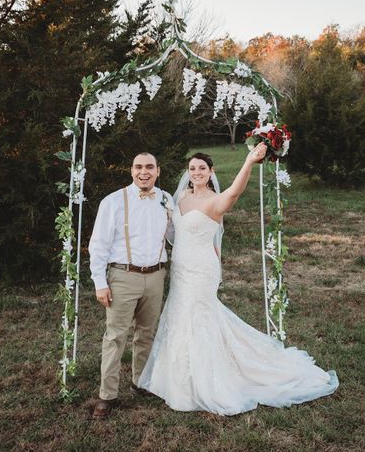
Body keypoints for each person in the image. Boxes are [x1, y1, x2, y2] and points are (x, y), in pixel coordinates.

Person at [138, 143, 339, 415]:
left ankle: (204, 380)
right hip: (181, 268)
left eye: (202, 168)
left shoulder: (215, 201)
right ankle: (177, 378)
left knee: (198, 318)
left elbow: (234, 191)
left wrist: (248, 162)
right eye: (192, 168)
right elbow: (171, 229)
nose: (197, 172)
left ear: (211, 172)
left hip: (201, 270)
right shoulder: (180, 198)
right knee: (178, 315)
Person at [88, 152, 171, 419]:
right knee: (115, 337)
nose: (143, 172)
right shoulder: (113, 202)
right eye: (138, 167)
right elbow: (98, 245)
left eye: (149, 167)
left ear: (158, 170)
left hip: (156, 275)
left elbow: (173, 235)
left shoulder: (167, 199)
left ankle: (141, 382)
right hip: (123, 276)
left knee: (146, 333)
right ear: (131, 170)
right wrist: (100, 283)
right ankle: (107, 395)